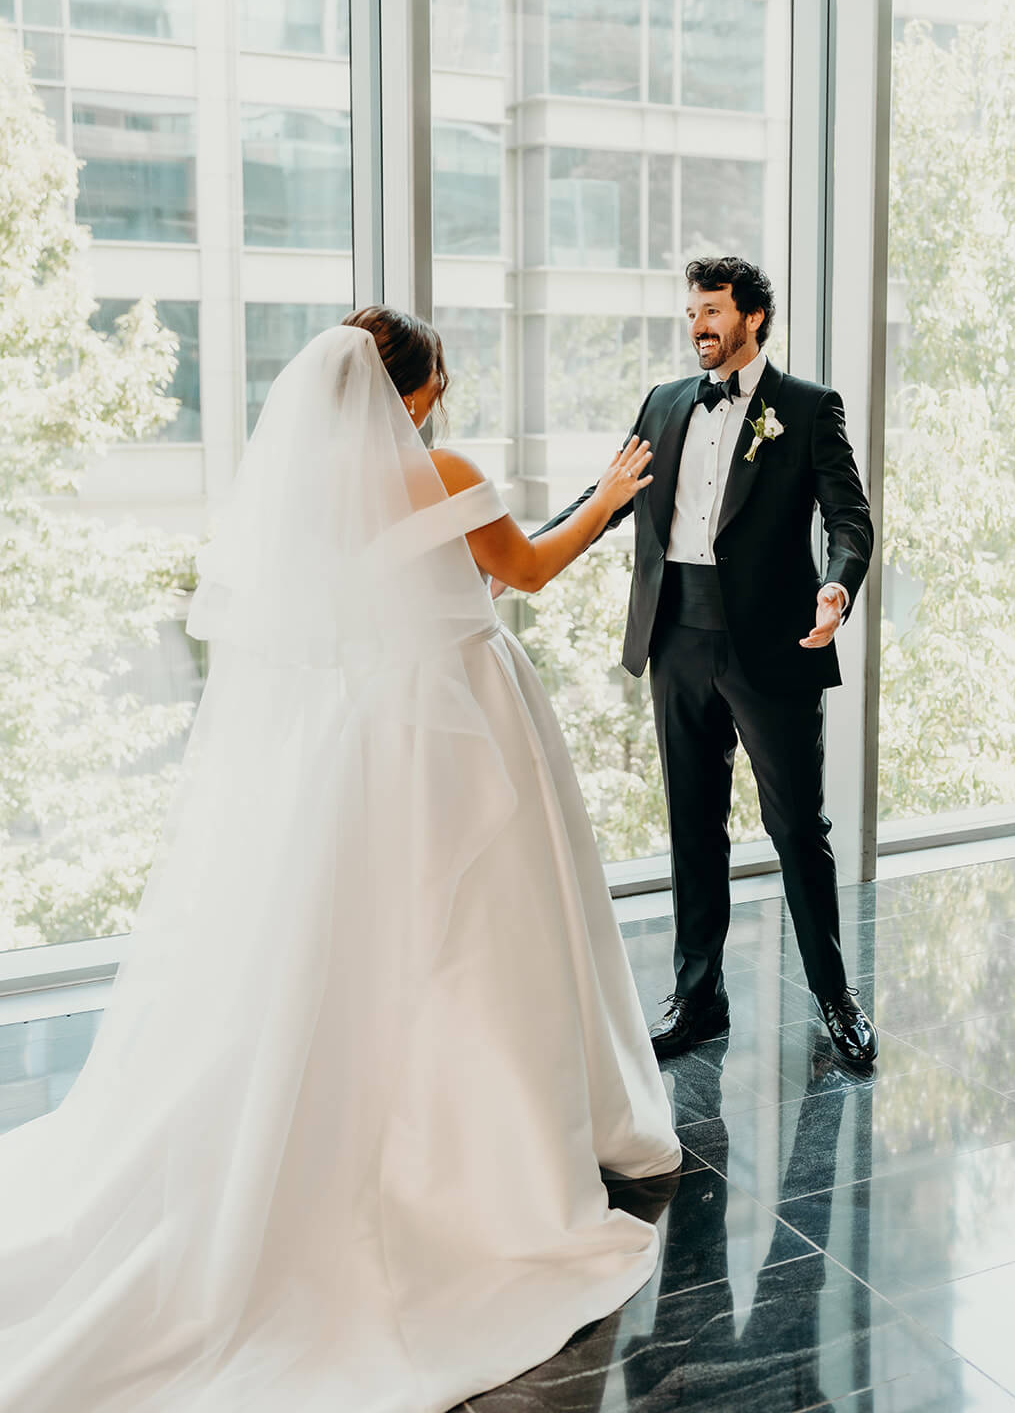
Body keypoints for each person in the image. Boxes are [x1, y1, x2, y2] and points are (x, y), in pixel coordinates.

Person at [0, 311, 681, 1413]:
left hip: (364, 740)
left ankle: (361, 1116)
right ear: (408, 394)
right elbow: (529, 569)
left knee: (371, 936)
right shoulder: (441, 469)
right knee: (482, 930)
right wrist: (607, 499)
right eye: (435, 387)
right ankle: (480, 1148)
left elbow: (378, 602)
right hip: (465, 722)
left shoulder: (310, 509)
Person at [533, 256, 878, 1068]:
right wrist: (514, 554)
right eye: (690, 312)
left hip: (775, 643)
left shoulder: (805, 407)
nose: (697, 326)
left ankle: (834, 996)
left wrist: (837, 590)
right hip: (674, 636)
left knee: (797, 827)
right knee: (693, 824)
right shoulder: (661, 403)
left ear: (753, 317)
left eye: (711, 310)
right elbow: (605, 498)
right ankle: (698, 999)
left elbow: (849, 519)